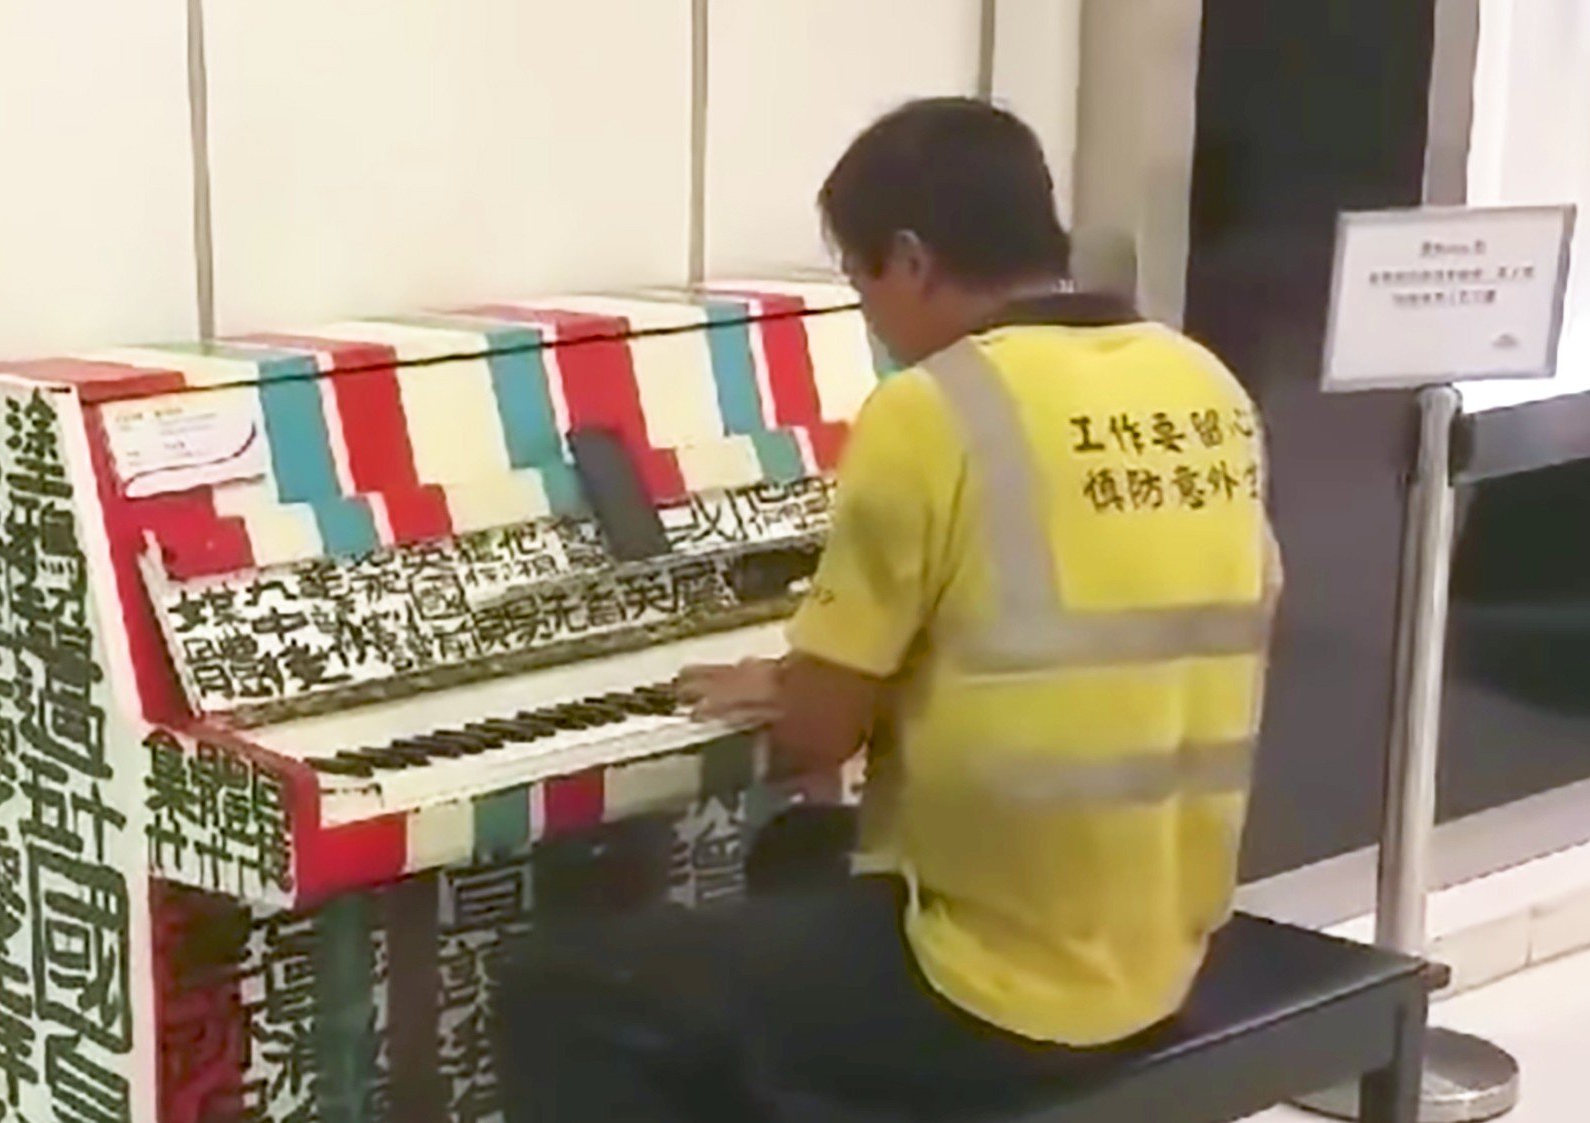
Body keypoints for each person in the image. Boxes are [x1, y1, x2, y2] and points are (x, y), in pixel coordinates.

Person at [496, 97, 1282, 1122]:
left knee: (561, 986)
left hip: (994, 989)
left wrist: (795, 678)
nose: (869, 316)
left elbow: (824, 731)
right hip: (1164, 947)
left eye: (861, 280)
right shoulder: (1202, 381)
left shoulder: (931, 409)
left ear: (909, 260)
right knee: (790, 860)